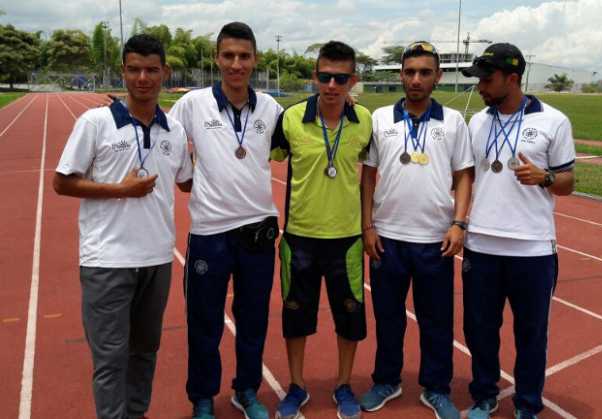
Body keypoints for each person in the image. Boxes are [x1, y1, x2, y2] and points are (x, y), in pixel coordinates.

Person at [53, 34, 193, 419]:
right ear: (123, 72)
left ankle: (136, 413)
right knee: (111, 359)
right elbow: (62, 182)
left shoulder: (175, 130)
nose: (142, 78)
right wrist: (120, 190)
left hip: (157, 258)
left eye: (151, 69)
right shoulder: (95, 122)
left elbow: (187, 180)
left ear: (165, 72)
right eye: (134, 69)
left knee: (145, 352)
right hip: (107, 261)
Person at [168, 22, 283, 419]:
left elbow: (298, 139)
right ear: (218, 59)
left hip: (257, 232)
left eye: (244, 56)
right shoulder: (192, 104)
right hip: (209, 234)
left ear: (255, 60)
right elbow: (167, 141)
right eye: (229, 56)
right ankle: (203, 398)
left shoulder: (271, 108)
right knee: (204, 324)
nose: (237, 64)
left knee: (253, 320)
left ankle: (247, 390)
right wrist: (186, 177)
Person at [460, 43, 576, 419]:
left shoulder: (552, 121)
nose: (480, 86)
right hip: (481, 245)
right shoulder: (478, 122)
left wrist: (544, 177)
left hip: (533, 250)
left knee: (530, 335)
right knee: (480, 331)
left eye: (487, 79)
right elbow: (467, 178)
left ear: (513, 78)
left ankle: (527, 404)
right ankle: (484, 395)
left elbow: (568, 182)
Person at [359, 41, 474, 419]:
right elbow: (368, 178)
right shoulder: (379, 119)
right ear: (401, 75)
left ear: (438, 76)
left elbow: (462, 177)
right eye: (409, 72)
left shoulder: (454, 121)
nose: (416, 79)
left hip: (434, 240)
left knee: (436, 321)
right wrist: (367, 226)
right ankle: (387, 380)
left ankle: (437, 388)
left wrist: (459, 223)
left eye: (425, 72)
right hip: (387, 238)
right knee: (388, 318)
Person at [270, 41, 372, 419]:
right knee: (296, 317)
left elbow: (373, 175)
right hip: (299, 238)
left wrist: (368, 225)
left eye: (340, 78)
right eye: (325, 76)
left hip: (346, 240)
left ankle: (344, 385)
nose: (332, 85)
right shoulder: (292, 118)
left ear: (353, 80)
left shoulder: (365, 123)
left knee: (350, 318)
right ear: (315, 77)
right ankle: (297, 386)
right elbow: (256, 152)